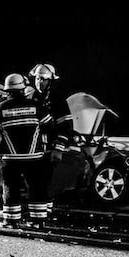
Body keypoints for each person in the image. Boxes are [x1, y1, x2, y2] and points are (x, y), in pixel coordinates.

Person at [0, 73, 53, 229]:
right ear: (23, 88)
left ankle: (11, 221)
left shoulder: (0, 109)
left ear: (7, 90)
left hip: (10, 158)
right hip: (34, 157)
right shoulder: (37, 106)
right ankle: (38, 221)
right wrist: (45, 145)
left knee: (11, 187)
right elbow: (49, 127)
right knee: (36, 187)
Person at [29, 63, 73, 214]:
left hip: (48, 148)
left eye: (43, 79)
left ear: (50, 81)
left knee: (46, 182)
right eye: (37, 79)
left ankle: (45, 213)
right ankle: (36, 213)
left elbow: (66, 125)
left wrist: (58, 148)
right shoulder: (31, 97)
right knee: (33, 182)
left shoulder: (57, 99)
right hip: (31, 148)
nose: (39, 82)